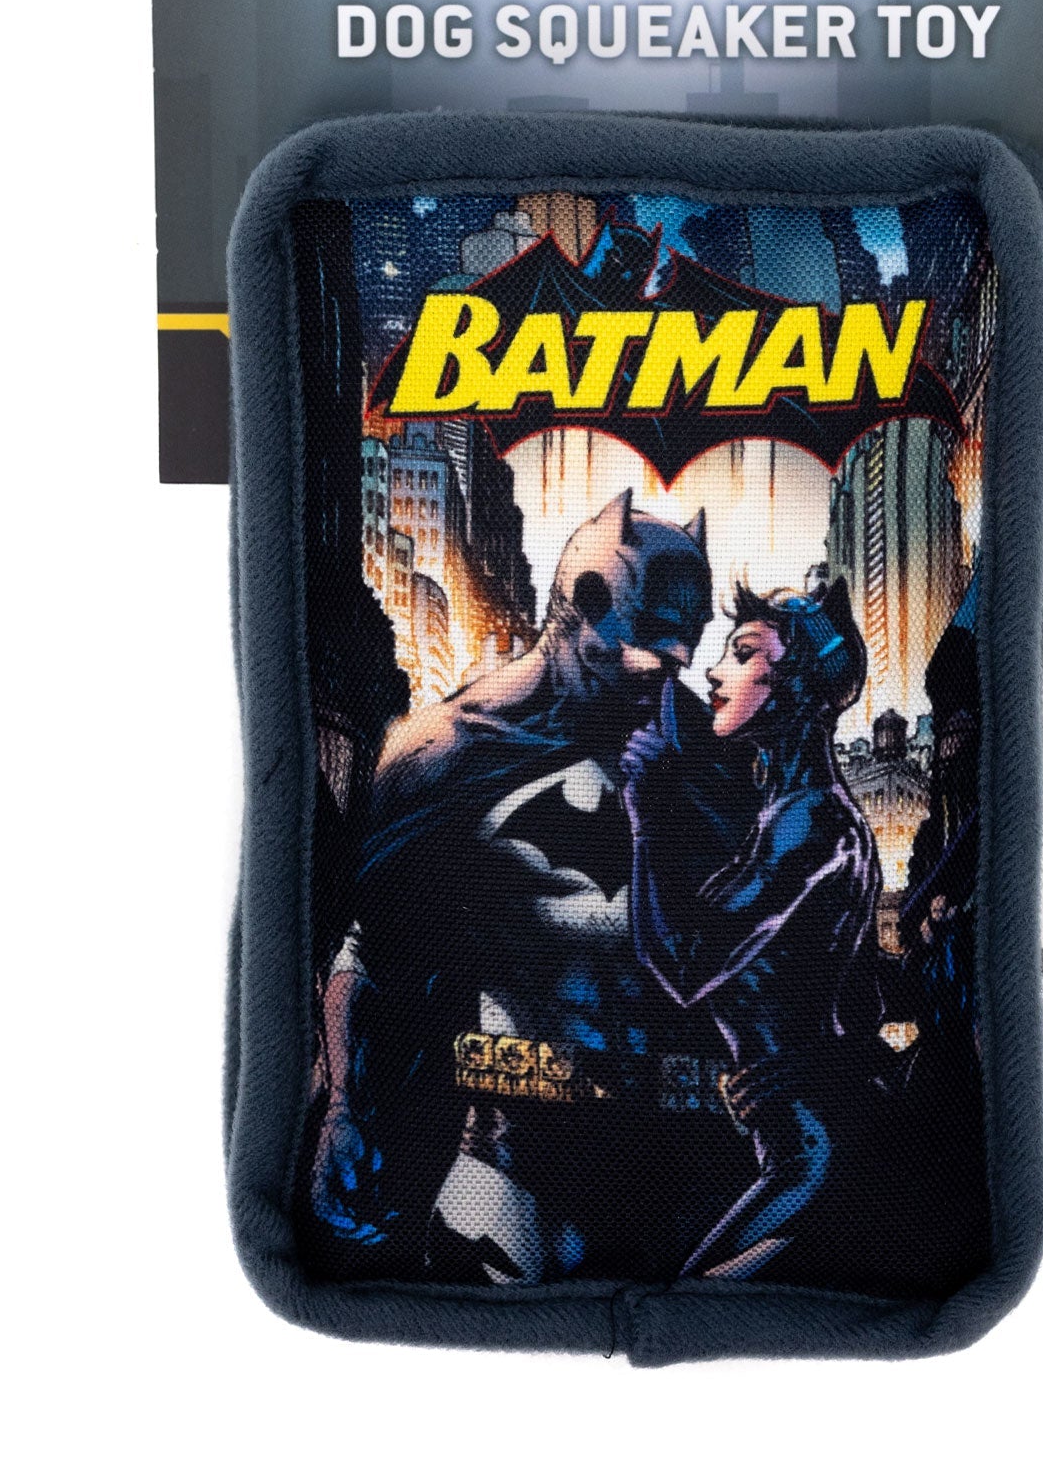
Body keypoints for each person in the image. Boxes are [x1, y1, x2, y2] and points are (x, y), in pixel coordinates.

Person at [307, 489, 733, 1283]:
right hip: (515, 1166)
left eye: (687, 643)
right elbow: (370, 954)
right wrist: (346, 1109)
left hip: (688, 1165)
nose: (671, 667)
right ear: (584, 603)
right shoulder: (446, 754)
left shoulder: (705, 750)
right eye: (648, 640)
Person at [620, 577, 881, 1281]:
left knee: (689, 1312)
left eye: (741, 654)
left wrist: (645, 818)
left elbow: (682, 964)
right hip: (806, 1146)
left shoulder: (809, 820)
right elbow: (855, 998)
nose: (714, 672)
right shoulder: (795, 813)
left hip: (812, 1159)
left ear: (793, 685)